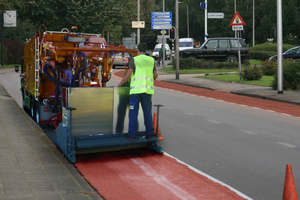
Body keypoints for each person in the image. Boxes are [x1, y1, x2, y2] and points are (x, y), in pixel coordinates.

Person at [116, 43, 158, 141]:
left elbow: (128, 75)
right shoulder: (151, 60)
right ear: (146, 50)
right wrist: (150, 81)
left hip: (136, 91)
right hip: (147, 91)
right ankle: (150, 134)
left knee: (133, 113)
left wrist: (119, 84)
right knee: (147, 112)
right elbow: (155, 75)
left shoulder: (135, 60)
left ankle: (132, 135)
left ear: (138, 50)